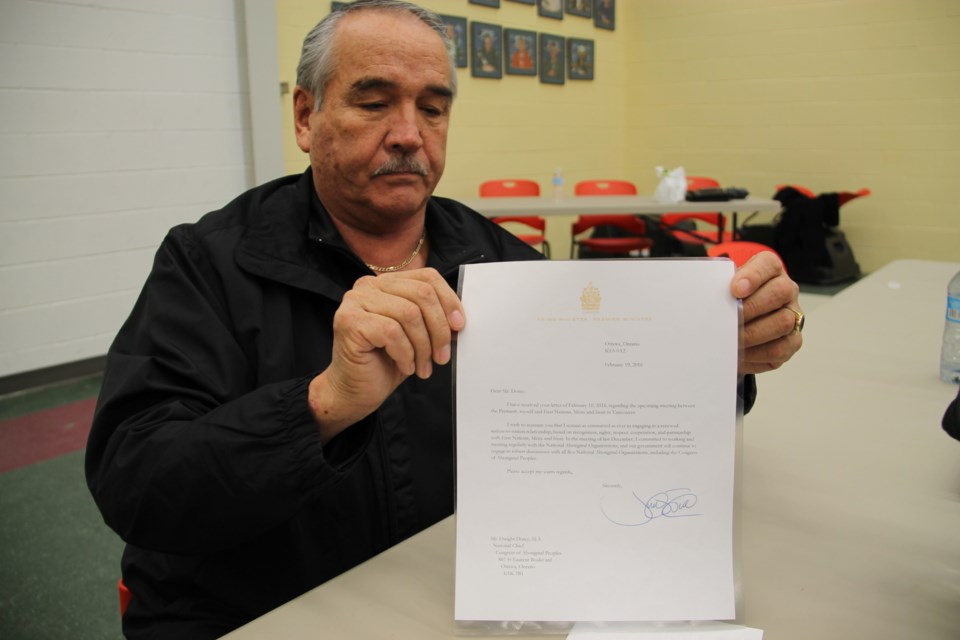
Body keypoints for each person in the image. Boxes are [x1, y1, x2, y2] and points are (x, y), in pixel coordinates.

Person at [84, 1, 804, 637]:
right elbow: (137, 481)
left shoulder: (506, 267)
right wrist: (323, 405)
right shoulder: (211, 263)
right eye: (373, 102)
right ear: (306, 117)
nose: (408, 133)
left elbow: (604, 415)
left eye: (432, 107)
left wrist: (714, 358)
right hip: (265, 611)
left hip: (464, 601)